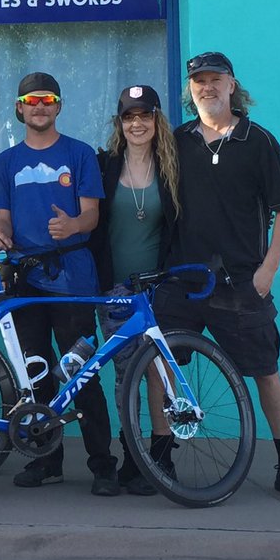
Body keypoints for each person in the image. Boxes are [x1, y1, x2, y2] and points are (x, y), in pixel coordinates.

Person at [157, 51, 280, 501]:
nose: (206, 86)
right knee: (160, 367)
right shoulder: (177, 139)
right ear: (190, 90)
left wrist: (269, 270)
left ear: (231, 85)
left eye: (214, 79)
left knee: (265, 372)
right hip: (182, 279)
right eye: (198, 81)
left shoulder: (258, 141)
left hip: (242, 283)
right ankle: (159, 454)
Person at [0, 72, 119, 496]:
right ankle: (47, 462)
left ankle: (103, 466)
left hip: (73, 277)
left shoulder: (79, 154)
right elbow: (1, 217)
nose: (39, 106)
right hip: (25, 279)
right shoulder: (5, 162)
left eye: (47, 99)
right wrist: (0, 234)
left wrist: (73, 226)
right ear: (20, 108)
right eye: (31, 100)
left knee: (82, 375)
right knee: (36, 373)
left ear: (58, 106)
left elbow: (92, 216)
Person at [89, 85, 180, 496]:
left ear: (157, 120)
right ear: (119, 123)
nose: (137, 123)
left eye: (145, 115)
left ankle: (162, 457)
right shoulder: (104, 164)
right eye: (129, 116)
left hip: (159, 286)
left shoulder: (174, 166)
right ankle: (132, 457)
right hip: (115, 289)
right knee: (127, 375)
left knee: (160, 371)